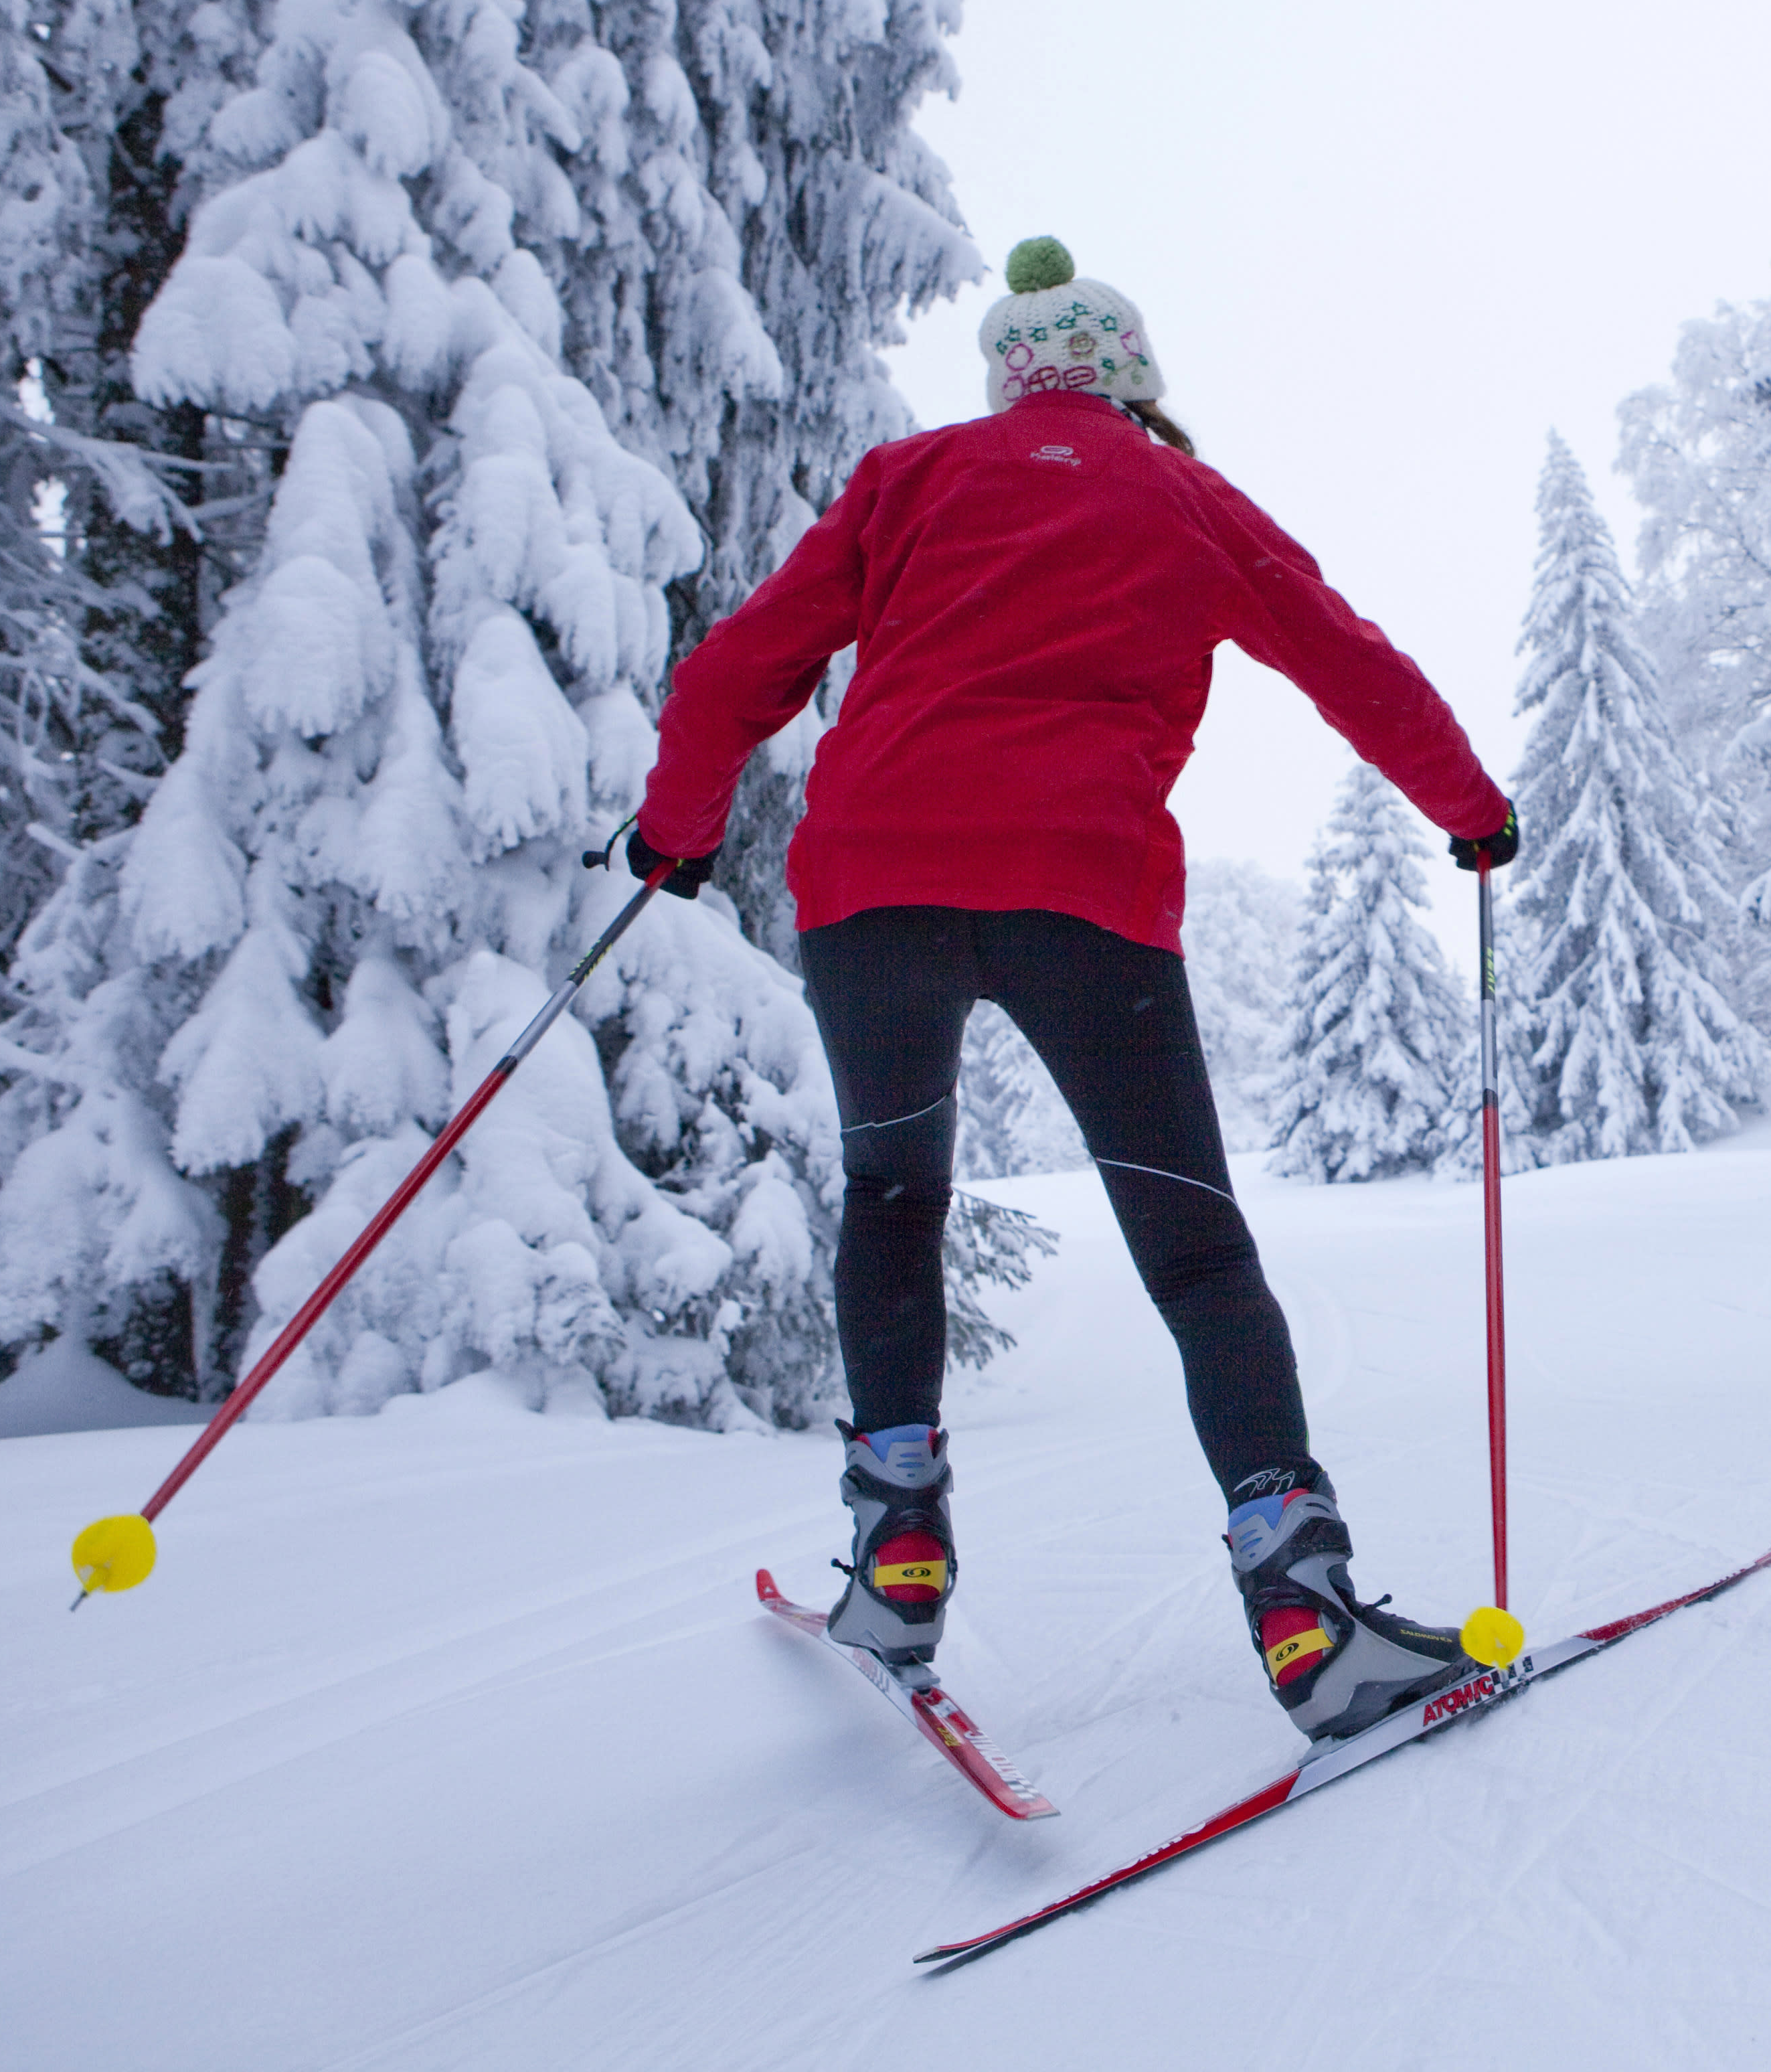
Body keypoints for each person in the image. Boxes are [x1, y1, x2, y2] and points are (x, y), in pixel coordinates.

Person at [622, 236, 1520, 1745]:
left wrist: (678, 831)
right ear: (1134, 382)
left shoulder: (907, 482)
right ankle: (1306, 1613)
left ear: (1009, 379)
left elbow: (733, 675)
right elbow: (1348, 660)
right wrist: (1470, 809)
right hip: (1082, 892)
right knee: (1196, 1258)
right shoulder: (1183, 495)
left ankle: (899, 1552)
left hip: (875, 895)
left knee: (894, 1201)